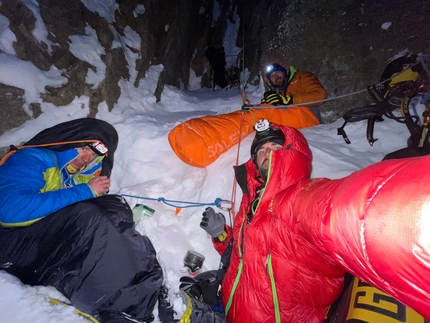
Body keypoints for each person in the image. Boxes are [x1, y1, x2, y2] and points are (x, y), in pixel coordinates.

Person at [199, 118, 430, 322]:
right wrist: (221, 235)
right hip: (233, 311)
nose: (267, 152)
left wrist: (414, 213)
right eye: (261, 151)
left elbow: (342, 209)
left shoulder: (298, 199)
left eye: (275, 146)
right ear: (255, 164)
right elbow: (246, 257)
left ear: (290, 152)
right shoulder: (250, 203)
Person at [0, 118, 163, 323]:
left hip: (33, 246)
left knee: (112, 206)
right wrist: (85, 191)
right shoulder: (34, 158)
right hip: (9, 246)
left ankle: (137, 283)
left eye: (93, 155)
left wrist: (94, 193)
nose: (86, 159)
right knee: (91, 217)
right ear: (70, 140)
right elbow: (9, 210)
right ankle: (121, 301)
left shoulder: (68, 176)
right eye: (84, 148)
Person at [260, 62, 327, 122]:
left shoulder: (301, 77)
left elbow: (320, 95)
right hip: (288, 119)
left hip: (308, 117)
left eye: (278, 72)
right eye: (272, 76)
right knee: (260, 115)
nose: (276, 76)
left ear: (286, 72)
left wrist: (291, 99)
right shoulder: (277, 92)